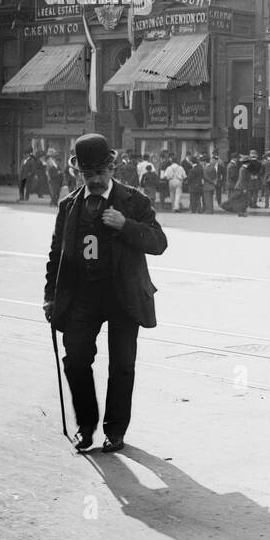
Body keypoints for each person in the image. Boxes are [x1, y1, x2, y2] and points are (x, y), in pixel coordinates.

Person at [43, 132, 168, 453]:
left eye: (101, 172)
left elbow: (158, 243)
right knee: (76, 361)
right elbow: (56, 255)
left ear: (112, 168)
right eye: (88, 174)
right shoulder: (69, 205)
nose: (95, 180)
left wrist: (125, 225)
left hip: (122, 295)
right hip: (82, 296)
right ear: (78, 173)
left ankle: (115, 431)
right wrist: (50, 296)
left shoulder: (134, 201)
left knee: (123, 365)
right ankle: (85, 427)